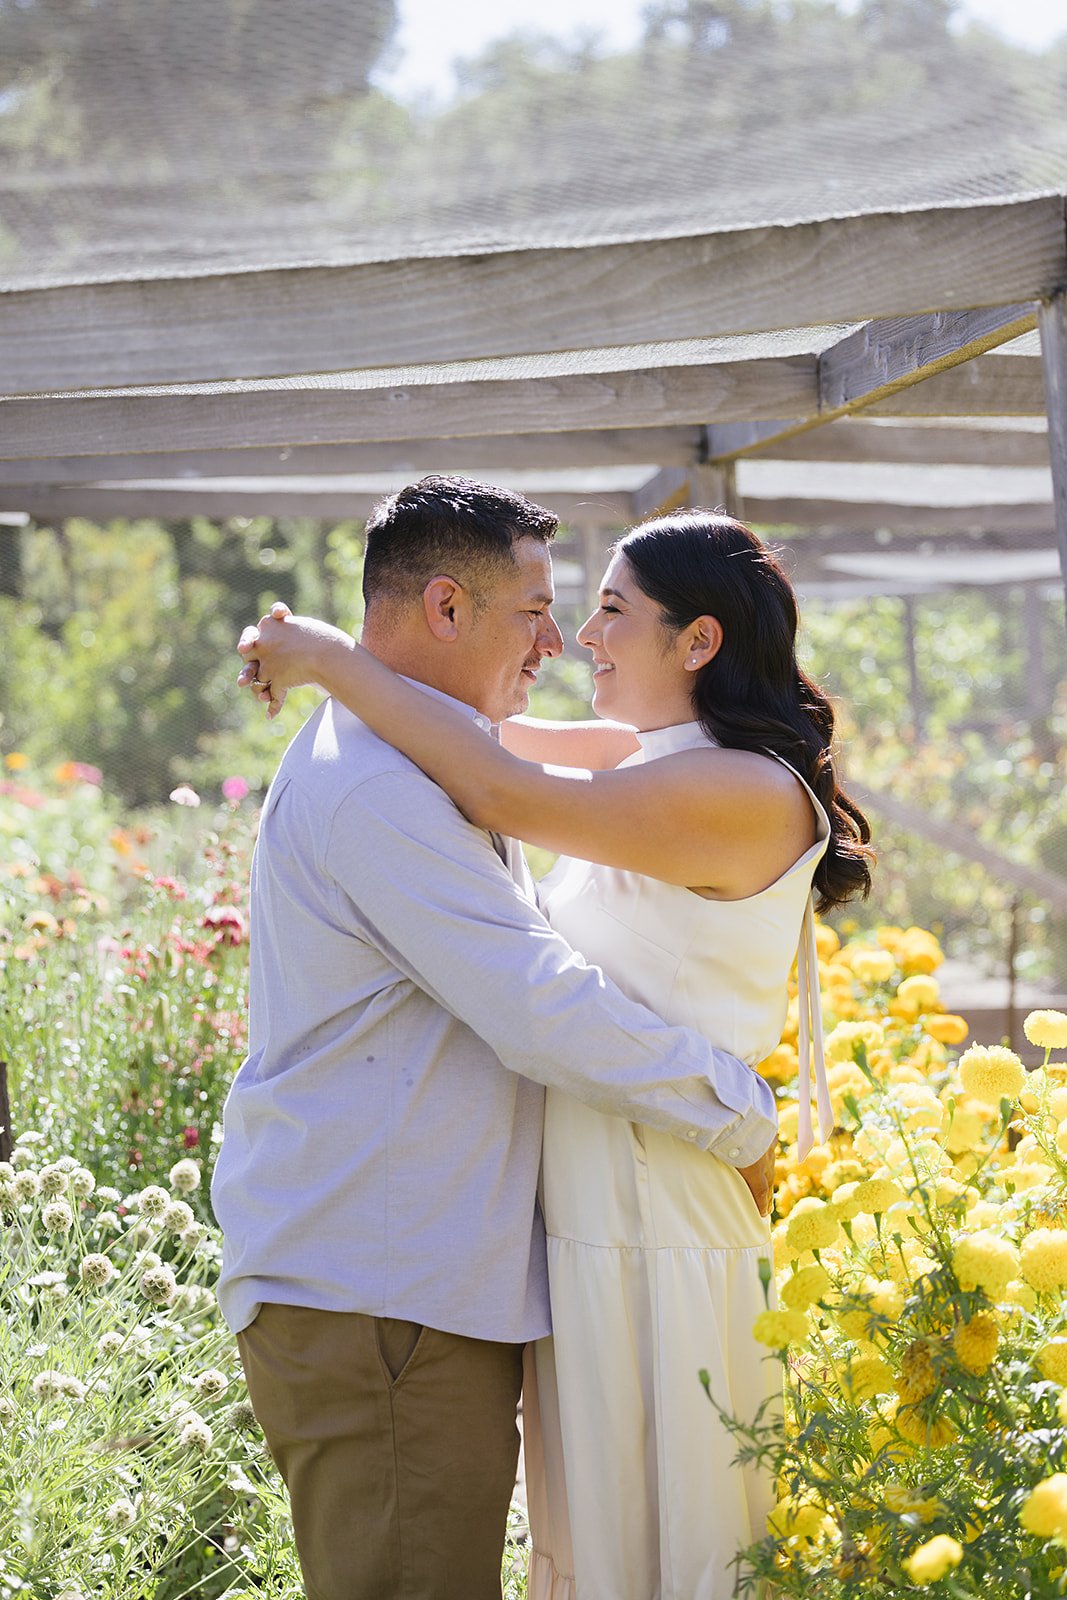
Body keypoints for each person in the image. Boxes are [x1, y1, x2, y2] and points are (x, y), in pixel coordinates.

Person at [237, 504, 873, 1600]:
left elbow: (496, 788)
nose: (572, 636)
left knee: (677, 1548)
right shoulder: (632, 755)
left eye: (605, 611)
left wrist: (331, 659)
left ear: (698, 641)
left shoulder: (737, 787)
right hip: (578, 1230)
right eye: (548, 610)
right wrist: (345, 671)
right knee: (595, 1554)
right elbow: (476, 740)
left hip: (658, 1213)